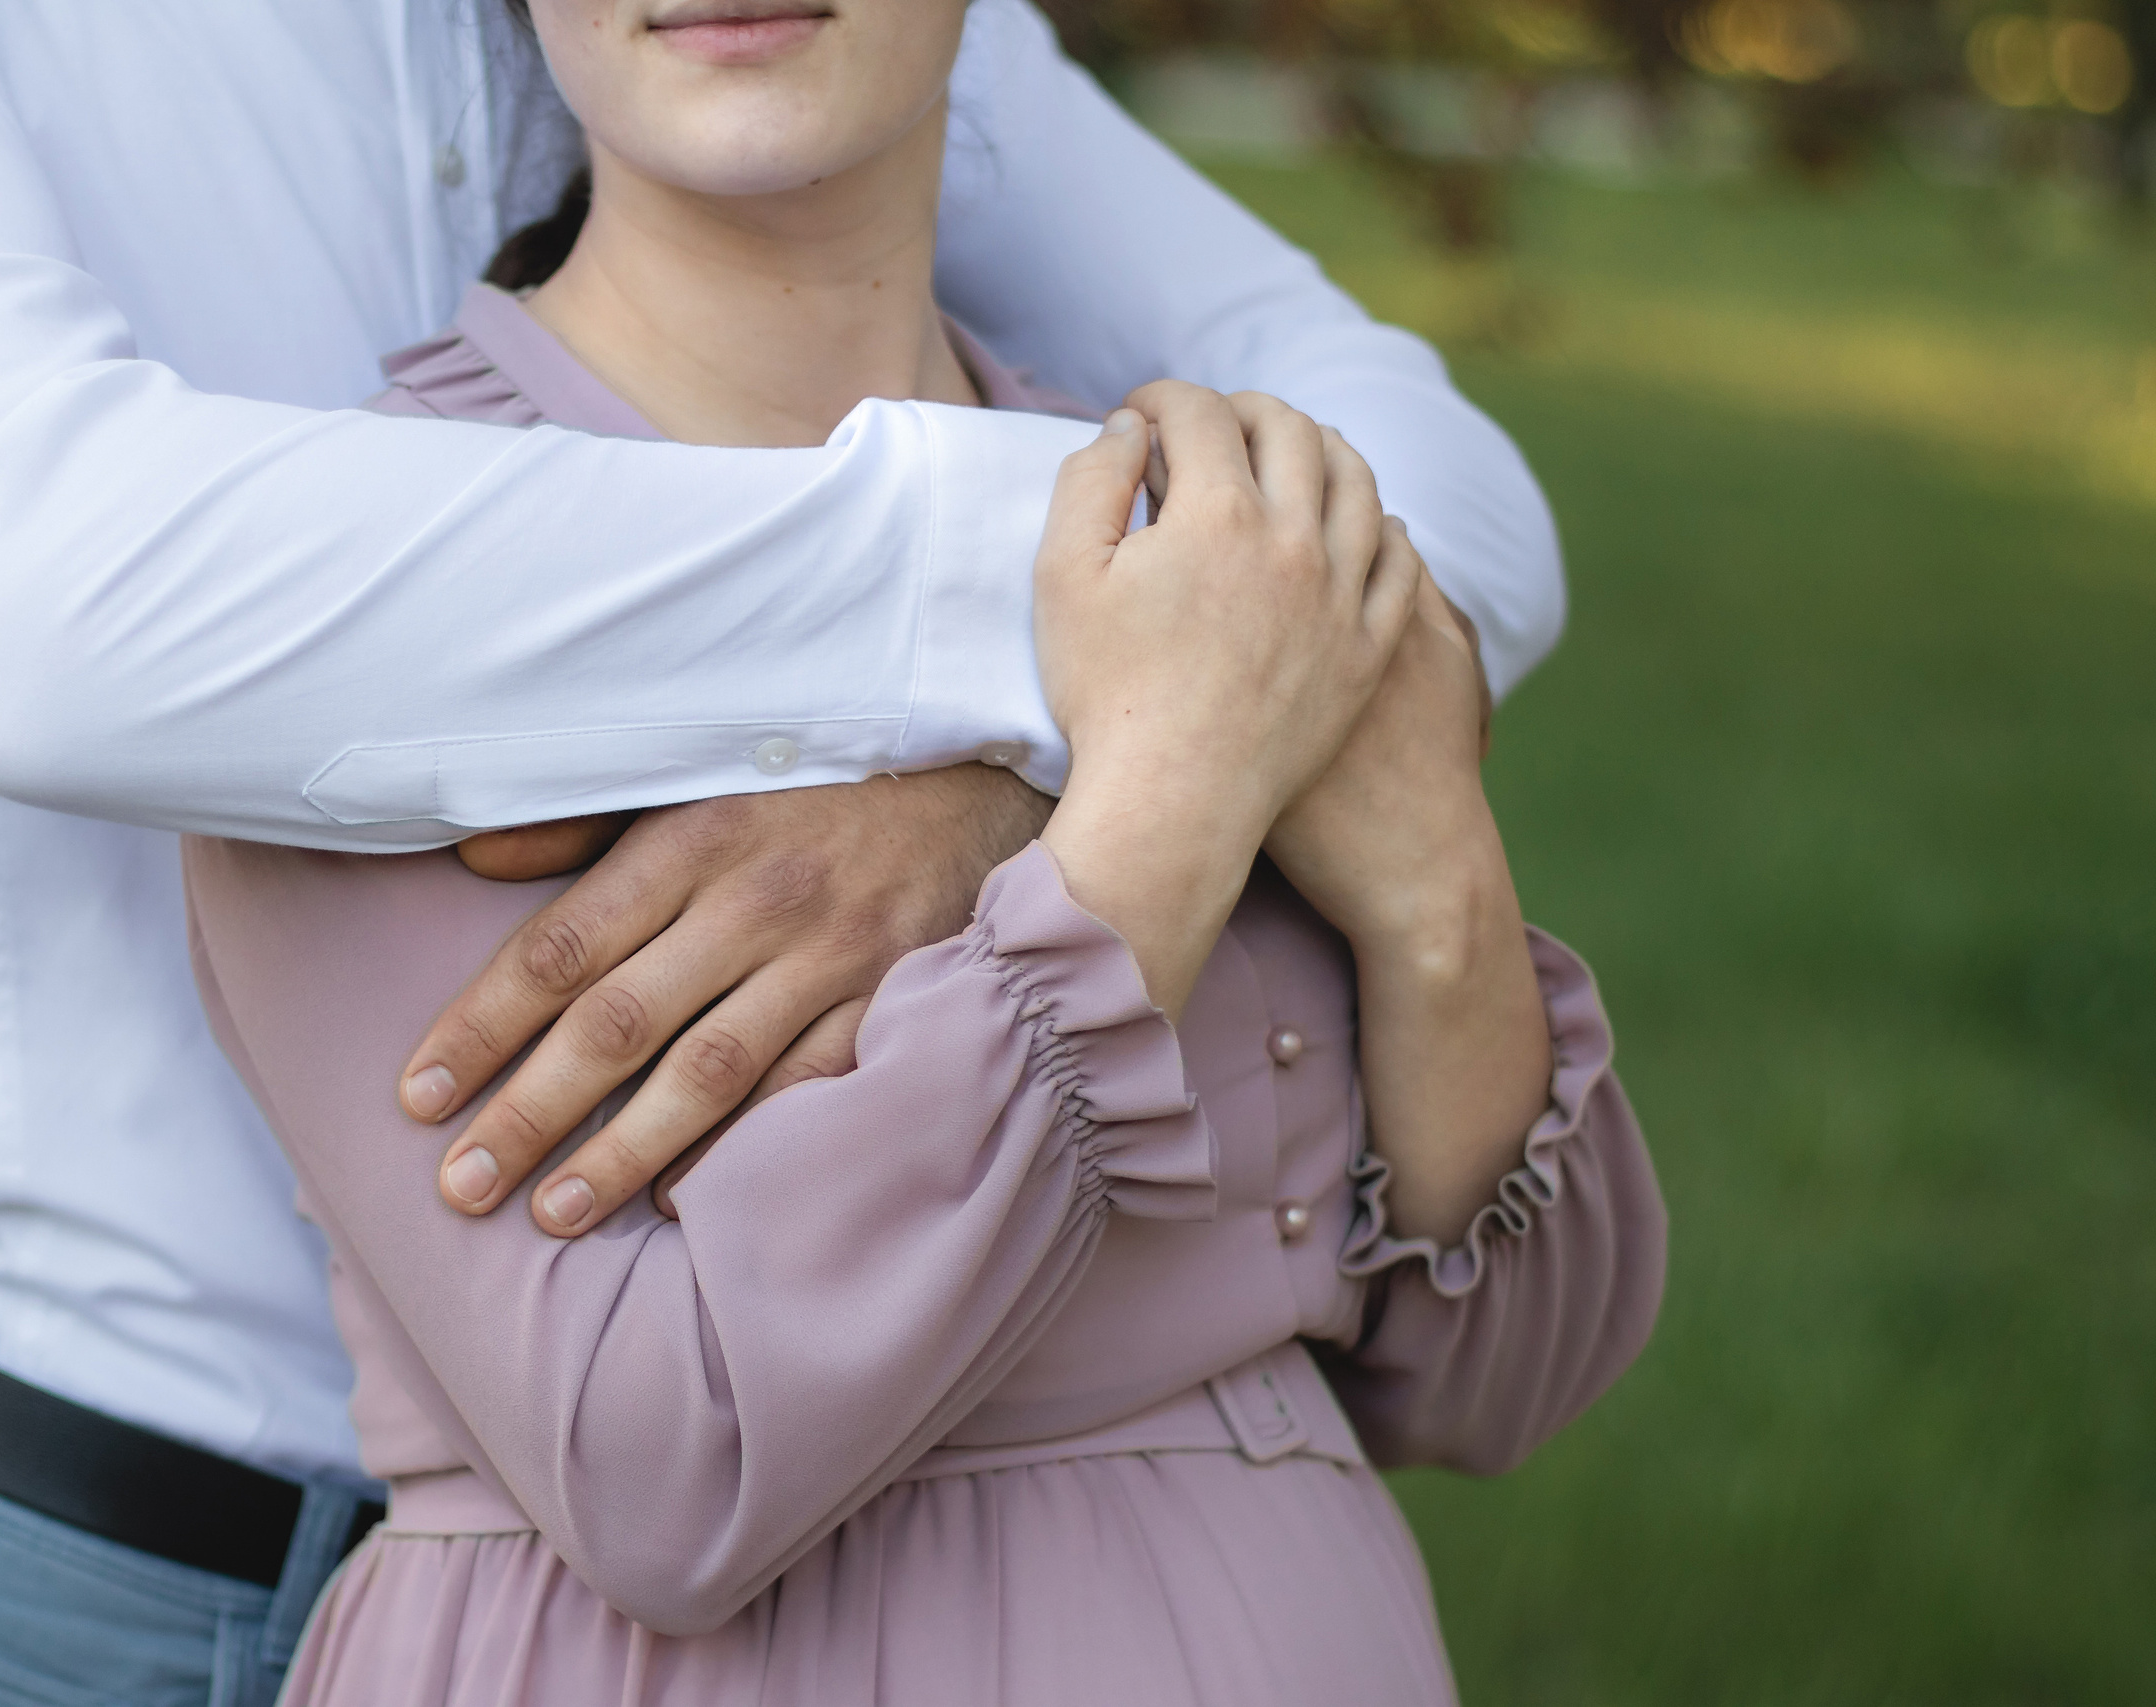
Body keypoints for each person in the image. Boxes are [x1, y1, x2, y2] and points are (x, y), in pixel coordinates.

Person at [0, 2, 1565, 1704]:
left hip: (893, 1522)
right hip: (81, 1550)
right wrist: (1114, 628)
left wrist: (1017, 770)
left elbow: (1444, 489)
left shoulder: (769, 49)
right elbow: (44, 618)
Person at [181, 0, 1663, 1698]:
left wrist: (1435, 902)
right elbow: (671, 1473)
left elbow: (1500, 1378)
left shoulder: (1210, 536)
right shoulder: (355, 579)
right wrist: (1161, 806)